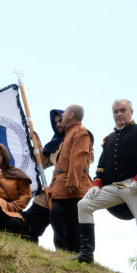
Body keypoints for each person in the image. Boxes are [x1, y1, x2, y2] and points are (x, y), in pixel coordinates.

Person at [74, 99, 137, 273]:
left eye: (122, 110)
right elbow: (101, 169)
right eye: (115, 111)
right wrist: (95, 186)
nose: (119, 114)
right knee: (84, 205)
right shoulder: (109, 139)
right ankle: (86, 254)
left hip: (135, 186)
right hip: (113, 188)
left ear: (131, 112)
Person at [48, 105, 94, 253]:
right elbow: (59, 165)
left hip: (74, 186)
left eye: (65, 113)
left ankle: (77, 254)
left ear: (71, 115)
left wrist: (73, 180)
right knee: (56, 215)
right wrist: (51, 187)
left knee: (74, 222)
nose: (62, 116)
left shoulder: (81, 132)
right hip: (61, 186)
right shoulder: (67, 134)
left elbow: (78, 157)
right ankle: (62, 252)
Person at [22, 109, 65, 242]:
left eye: (60, 121)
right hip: (52, 191)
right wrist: (37, 142)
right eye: (55, 122)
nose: (58, 124)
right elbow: (43, 162)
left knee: (64, 231)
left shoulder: (79, 137)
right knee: (29, 223)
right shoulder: (54, 143)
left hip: (69, 191)